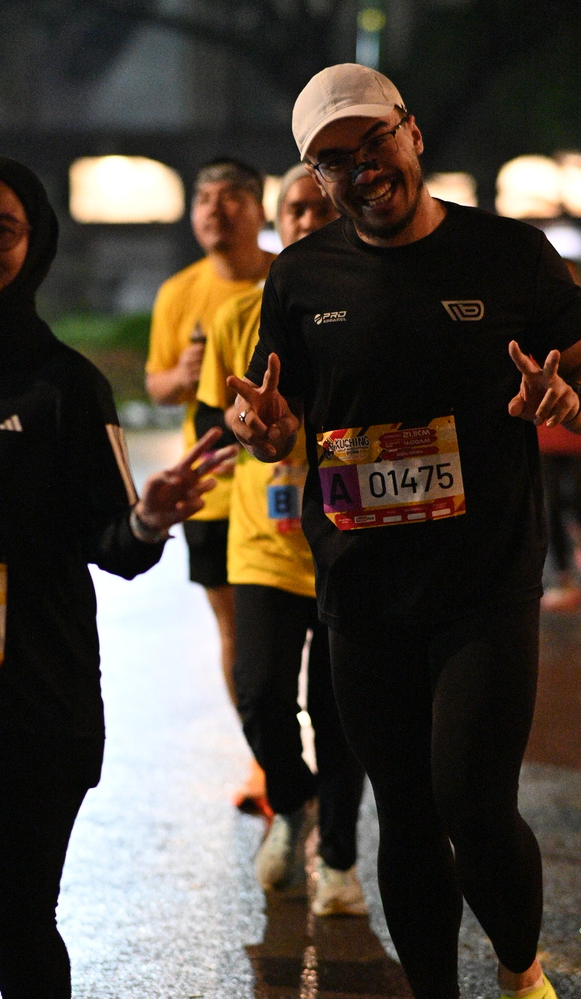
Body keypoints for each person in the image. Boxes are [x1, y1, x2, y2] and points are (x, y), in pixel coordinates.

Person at [227, 63, 581, 999]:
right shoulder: (301, 276)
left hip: (483, 585)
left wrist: (567, 400)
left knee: (473, 801)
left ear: (412, 132)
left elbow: (579, 367)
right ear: (316, 176)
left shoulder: (510, 255)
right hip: (362, 590)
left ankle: (521, 973)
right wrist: (264, 431)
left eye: (373, 141)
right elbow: (276, 412)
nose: (361, 169)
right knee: (407, 812)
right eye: (333, 160)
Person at [0, 154, 236, 999]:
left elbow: (118, 545)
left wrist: (150, 518)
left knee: (17, 917)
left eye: (1, 228)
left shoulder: (64, 387)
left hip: (34, 705)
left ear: (36, 246)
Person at [196, 164, 366, 915]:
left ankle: (339, 859)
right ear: (278, 220)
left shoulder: (371, 308)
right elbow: (214, 419)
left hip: (351, 545)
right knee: (260, 692)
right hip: (263, 543)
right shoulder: (240, 314)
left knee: (341, 712)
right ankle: (291, 803)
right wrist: (248, 425)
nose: (306, 221)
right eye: (295, 209)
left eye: (320, 210)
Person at [146, 157, 275, 811]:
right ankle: (266, 756)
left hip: (286, 484)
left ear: (259, 209)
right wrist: (184, 373)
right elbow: (158, 384)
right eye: (204, 200)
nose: (215, 211)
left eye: (230, 198)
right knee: (236, 632)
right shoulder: (179, 291)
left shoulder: (289, 278)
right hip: (214, 490)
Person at [538, 258, 581, 611]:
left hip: (576, 437)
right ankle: (564, 576)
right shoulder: (532, 322)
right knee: (550, 508)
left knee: (574, 503)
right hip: (547, 437)